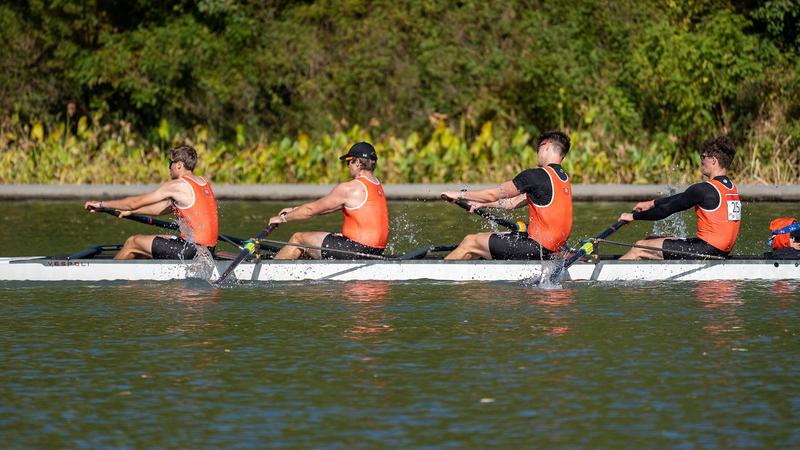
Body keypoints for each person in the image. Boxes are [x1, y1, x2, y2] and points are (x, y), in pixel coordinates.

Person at [441, 130, 572, 260]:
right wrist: (482, 204)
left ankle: (440, 278)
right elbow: (513, 202)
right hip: (555, 247)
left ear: (546, 146)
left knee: (470, 241)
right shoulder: (563, 179)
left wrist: (459, 195)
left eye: (538, 149)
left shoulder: (535, 176)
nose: (537, 154)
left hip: (538, 247)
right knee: (480, 244)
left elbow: (493, 194)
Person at [84, 145, 218, 260]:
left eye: (170, 163)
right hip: (207, 250)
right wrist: (133, 212)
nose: (169, 167)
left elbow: (134, 202)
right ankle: (135, 279)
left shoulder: (177, 185)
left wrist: (101, 204)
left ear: (179, 165)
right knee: (148, 244)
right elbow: (164, 207)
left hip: (191, 250)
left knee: (132, 242)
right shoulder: (203, 182)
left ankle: (109, 275)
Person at [617, 136, 740, 260]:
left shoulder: (704, 189)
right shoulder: (731, 188)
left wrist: (633, 216)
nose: (701, 161)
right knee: (651, 240)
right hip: (720, 251)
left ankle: (612, 276)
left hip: (706, 250)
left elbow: (665, 210)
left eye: (703, 157)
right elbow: (682, 198)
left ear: (713, 160)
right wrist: (652, 203)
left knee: (640, 247)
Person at [267, 142, 389, 260]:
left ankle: (270, 271)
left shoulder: (350, 188)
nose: (347, 166)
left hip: (356, 250)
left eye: (348, 161)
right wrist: (294, 210)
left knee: (298, 239)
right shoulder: (377, 185)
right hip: (375, 251)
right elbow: (326, 207)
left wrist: (283, 218)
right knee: (322, 240)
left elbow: (310, 210)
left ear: (357, 162)